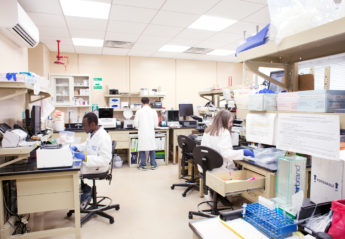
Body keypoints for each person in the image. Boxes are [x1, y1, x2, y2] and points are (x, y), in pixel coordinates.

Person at [71, 112, 112, 208]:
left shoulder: (103, 137)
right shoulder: (93, 134)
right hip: (92, 164)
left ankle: (86, 192)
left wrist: (85, 158)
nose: (83, 128)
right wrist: (75, 147)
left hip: (100, 167)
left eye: (84, 125)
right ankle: (86, 191)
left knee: (73, 171)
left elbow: (105, 159)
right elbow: (86, 145)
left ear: (92, 124)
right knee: (74, 167)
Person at [134, 97, 159, 170]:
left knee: (142, 148)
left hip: (142, 133)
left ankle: (143, 165)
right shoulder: (153, 111)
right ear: (149, 102)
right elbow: (156, 124)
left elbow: (135, 124)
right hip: (150, 133)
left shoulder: (139, 111)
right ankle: (153, 165)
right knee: (152, 148)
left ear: (141, 103)